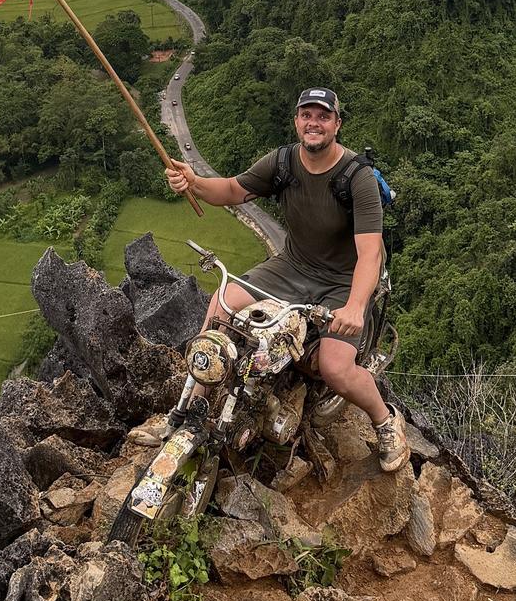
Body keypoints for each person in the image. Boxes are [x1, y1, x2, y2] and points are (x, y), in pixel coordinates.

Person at [165, 87, 410, 472]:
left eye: (323, 116)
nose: (314, 123)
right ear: (297, 121)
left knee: (335, 368)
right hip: (292, 266)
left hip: (342, 280)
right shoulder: (281, 162)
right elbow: (231, 189)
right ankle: (188, 406)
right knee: (220, 307)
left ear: (336, 124)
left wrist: (355, 307)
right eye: (306, 115)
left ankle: (385, 421)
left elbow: (369, 254)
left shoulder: (356, 177)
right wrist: (192, 182)